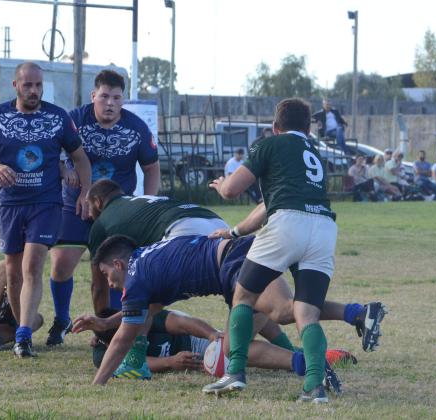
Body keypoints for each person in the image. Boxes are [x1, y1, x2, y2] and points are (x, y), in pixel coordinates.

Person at [81, 234, 385, 396]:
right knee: (280, 311)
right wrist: (107, 322)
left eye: (106, 274)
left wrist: (97, 385)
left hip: (233, 264)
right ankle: (356, 314)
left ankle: (308, 362)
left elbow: (123, 340)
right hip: (240, 253)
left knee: (247, 337)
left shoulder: (134, 279)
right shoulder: (147, 261)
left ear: (118, 264)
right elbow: (148, 311)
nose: (108, 283)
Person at [206, 97, 344, 403]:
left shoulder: (270, 145)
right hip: (323, 227)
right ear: (308, 128)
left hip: (287, 223)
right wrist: (237, 231)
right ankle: (315, 387)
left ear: (275, 127)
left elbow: (231, 190)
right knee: (307, 312)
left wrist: (221, 185)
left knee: (244, 295)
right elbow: (271, 202)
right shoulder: (316, 153)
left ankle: (236, 372)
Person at [0, 62, 91, 358]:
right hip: (12, 204)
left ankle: (23, 336)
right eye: (28, 85)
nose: (34, 91)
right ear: (16, 85)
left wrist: (84, 192)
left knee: (33, 263)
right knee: (13, 271)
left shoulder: (58, 117)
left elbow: (80, 157)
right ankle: (20, 324)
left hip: (47, 203)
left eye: (38, 85)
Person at [47, 69, 160, 347]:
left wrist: (147, 202)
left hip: (114, 210)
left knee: (109, 275)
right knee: (61, 265)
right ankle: (62, 319)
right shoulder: (74, 120)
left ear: (123, 100)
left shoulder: (136, 128)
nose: (110, 103)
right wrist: (65, 172)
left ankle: (106, 331)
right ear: (93, 95)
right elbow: (53, 154)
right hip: (75, 205)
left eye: (117, 98)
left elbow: (151, 167)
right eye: (105, 96)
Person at [88, 307, 355, 391]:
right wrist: (172, 362)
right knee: (257, 312)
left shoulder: (145, 316)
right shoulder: (102, 353)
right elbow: (139, 363)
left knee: (253, 319)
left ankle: (305, 356)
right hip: (205, 361)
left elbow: (181, 322)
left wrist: (212, 334)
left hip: (209, 346)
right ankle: (313, 358)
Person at [84, 178, 228, 313]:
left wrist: (102, 328)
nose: (88, 214)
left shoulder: (101, 223)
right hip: (219, 224)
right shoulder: (138, 201)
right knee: (236, 288)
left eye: (88, 206)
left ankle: (134, 336)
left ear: (97, 201)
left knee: (147, 298)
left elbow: (99, 288)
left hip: (183, 231)